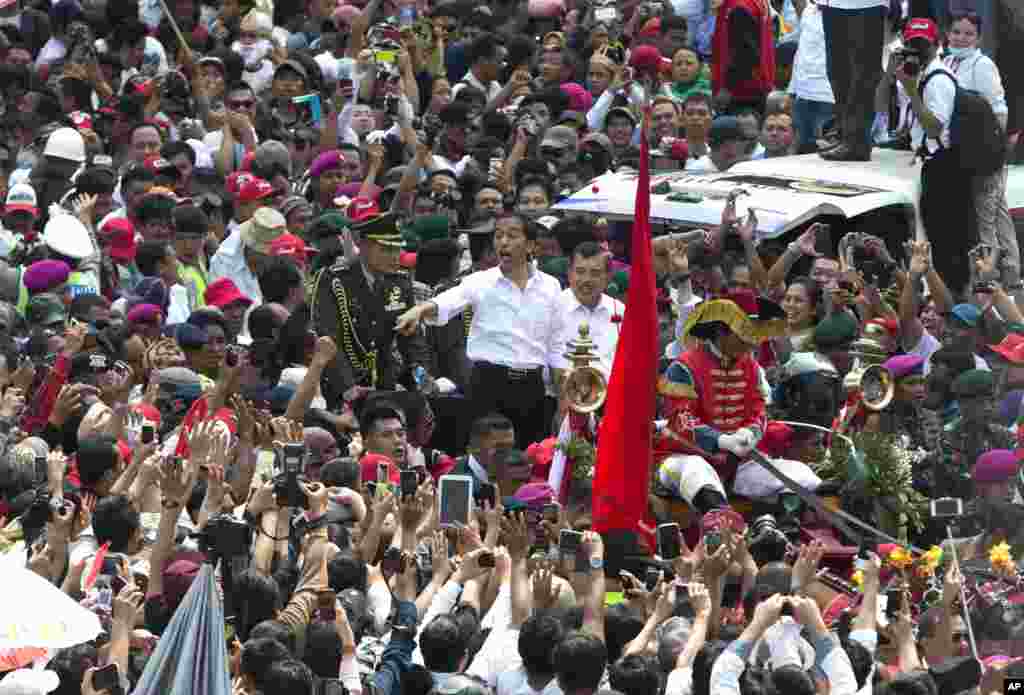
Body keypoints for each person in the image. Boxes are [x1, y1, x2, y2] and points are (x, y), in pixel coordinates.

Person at [396, 211, 562, 449]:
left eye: (512, 236)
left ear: (531, 245)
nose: (503, 242)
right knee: (485, 454)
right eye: (498, 236)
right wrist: (419, 310)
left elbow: (555, 341)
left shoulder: (551, 286)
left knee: (528, 456)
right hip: (489, 383)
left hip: (532, 386)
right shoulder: (481, 280)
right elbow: (448, 300)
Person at [654, 291, 787, 516]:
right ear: (720, 332)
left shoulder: (752, 367)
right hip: (683, 457)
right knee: (697, 472)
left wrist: (750, 433)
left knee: (798, 475)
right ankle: (722, 526)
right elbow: (681, 420)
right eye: (742, 335)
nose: (750, 344)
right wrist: (722, 440)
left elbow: (759, 410)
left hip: (737, 462)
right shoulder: (684, 366)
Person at [313, 212, 427, 403]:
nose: (394, 257)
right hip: (342, 386)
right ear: (362, 245)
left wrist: (423, 379)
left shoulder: (399, 282)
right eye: (385, 249)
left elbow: (410, 340)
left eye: (397, 249)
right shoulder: (334, 280)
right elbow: (329, 338)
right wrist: (348, 389)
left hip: (384, 382)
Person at [897, 18, 975, 294]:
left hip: (946, 167)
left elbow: (934, 127)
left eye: (922, 44)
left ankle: (952, 299)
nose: (916, 49)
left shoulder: (938, 79)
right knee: (936, 236)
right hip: (933, 164)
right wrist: (893, 77)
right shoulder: (914, 72)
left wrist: (910, 91)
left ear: (936, 44)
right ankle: (945, 295)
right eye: (911, 43)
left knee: (947, 240)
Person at [818, 0, 886, 160]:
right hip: (833, 5)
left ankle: (857, 141)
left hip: (866, 5)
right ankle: (845, 135)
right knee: (837, 71)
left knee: (863, 74)